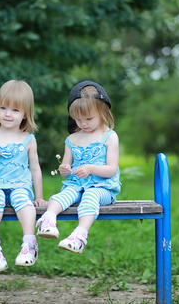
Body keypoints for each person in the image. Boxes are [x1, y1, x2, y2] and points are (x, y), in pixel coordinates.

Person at [36, 81, 121, 254]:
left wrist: (90, 168)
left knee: (90, 195)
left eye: (89, 119)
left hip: (102, 187)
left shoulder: (109, 137)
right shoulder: (73, 139)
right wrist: (65, 169)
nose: (83, 123)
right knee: (63, 195)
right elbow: (66, 167)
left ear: (102, 112)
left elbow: (111, 169)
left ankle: (79, 235)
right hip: (76, 184)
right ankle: (48, 220)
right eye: (78, 119)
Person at [0, 80, 46, 272]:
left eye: (15, 110)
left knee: (24, 200)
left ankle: (29, 243)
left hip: (20, 184)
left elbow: (35, 169)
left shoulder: (28, 139)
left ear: (25, 114)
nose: (7, 114)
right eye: (3, 107)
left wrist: (38, 196)